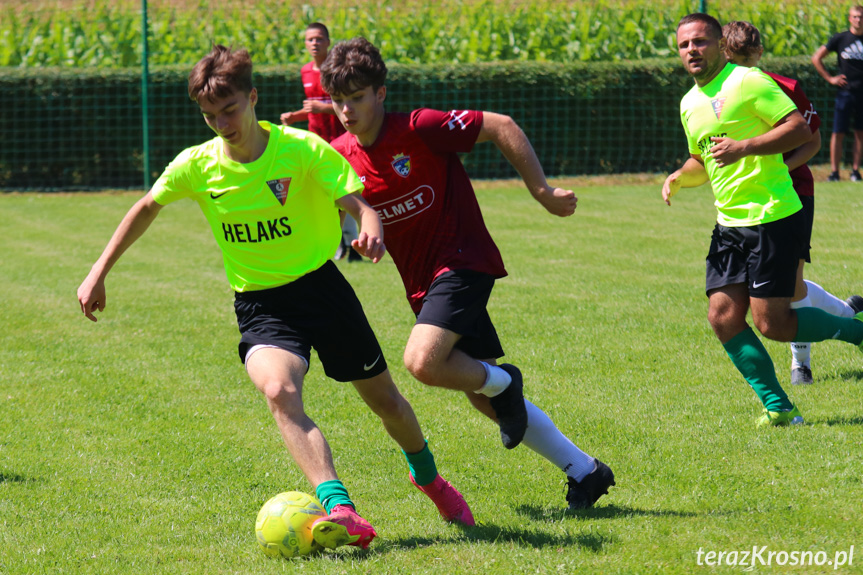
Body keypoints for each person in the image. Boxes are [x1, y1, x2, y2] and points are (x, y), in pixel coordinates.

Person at [77, 45, 474, 553]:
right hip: (260, 306)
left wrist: (370, 230)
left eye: (230, 109)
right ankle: (339, 507)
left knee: (387, 403)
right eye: (210, 114)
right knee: (280, 392)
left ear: (253, 98)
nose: (222, 122)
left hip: (323, 292)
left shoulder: (301, 149)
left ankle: (429, 480)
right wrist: (98, 272)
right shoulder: (198, 165)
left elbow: (359, 205)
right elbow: (146, 206)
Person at [321, 37, 614, 510]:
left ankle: (506, 383)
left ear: (381, 92)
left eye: (357, 97)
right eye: (338, 101)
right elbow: (328, 206)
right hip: (422, 283)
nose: (347, 110)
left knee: (423, 361)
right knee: (483, 395)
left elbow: (501, 125)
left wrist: (540, 190)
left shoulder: (421, 127)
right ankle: (586, 472)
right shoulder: (338, 154)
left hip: (462, 261)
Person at [663, 13, 863, 427]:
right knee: (721, 317)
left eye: (700, 42)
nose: (692, 51)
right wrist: (682, 176)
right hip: (728, 224)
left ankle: (857, 333)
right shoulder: (689, 103)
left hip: (773, 217)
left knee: (772, 323)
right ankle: (779, 407)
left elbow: (799, 131)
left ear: (719, 43)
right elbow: (702, 160)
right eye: (684, 45)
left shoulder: (747, 81)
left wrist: (747, 147)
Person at [722, 20, 863, 385]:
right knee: (791, 287)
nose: (744, 69)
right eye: (737, 61)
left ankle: (800, 364)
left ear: (760, 54)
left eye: (749, 59)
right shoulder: (716, 96)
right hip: (747, 202)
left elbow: (812, 143)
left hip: (793, 193)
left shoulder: (783, 87)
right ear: (725, 56)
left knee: (789, 286)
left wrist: (778, 169)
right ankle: (848, 313)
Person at [280, 22, 360, 262]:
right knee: (323, 192)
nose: (314, 43)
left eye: (319, 39)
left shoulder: (337, 70)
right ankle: (340, 243)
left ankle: (345, 242)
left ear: (328, 41)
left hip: (340, 140)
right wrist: (296, 116)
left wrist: (321, 108)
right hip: (317, 142)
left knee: (342, 190)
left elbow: (345, 108)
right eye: (310, 39)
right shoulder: (305, 71)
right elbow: (313, 109)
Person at [811, 6, 863, 182]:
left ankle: (855, 171)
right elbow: (816, 57)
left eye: (861, 17)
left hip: (862, 94)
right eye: (855, 17)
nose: (858, 20)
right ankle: (834, 172)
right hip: (845, 93)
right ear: (849, 19)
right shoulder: (841, 38)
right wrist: (830, 78)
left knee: (860, 132)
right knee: (838, 132)